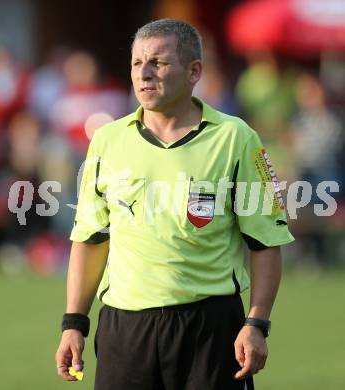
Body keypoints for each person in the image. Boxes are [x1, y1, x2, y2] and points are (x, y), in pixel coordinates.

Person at [55, 19, 294, 390]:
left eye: (158, 63)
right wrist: (74, 323)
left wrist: (256, 324)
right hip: (125, 331)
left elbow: (265, 242)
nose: (144, 74)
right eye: (136, 63)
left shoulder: (236, 138)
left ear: (194, 70)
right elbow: (90, 238)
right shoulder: (107, 140)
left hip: (210, 329)